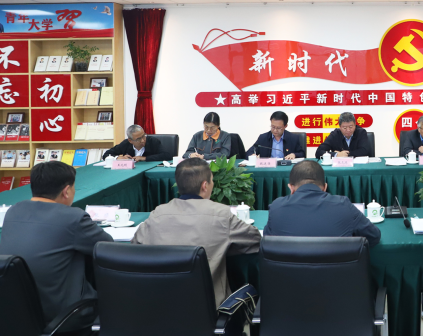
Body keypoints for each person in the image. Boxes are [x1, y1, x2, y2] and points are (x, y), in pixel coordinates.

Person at [0, 162, 113, 334]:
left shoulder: (13, 211)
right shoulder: (73, 217)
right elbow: (107, 248)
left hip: (15, 314)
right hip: (63, 316)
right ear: (66, 191)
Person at [131, 158, 261, 306]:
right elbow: (255, 240)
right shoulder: (221, 214)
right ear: (205, 185)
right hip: (208, 308)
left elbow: (135, 246)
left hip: (159, 306)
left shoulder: (157, 214)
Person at [265, 160, 380, 246]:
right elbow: (374, 236)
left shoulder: (276, 207)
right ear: (325, 187)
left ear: (291, 188)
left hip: (287, 272)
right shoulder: (343, 205)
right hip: (337, 271)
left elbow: (267, 240)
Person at [102, 124, 171, 162]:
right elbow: (106, 154)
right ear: (130, 140)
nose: (143, 140)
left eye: (143, 136)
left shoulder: (153, 141)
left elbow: (167, 155)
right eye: (138, 139)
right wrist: (118, 158)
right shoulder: (126, 144)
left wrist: (144, 158)